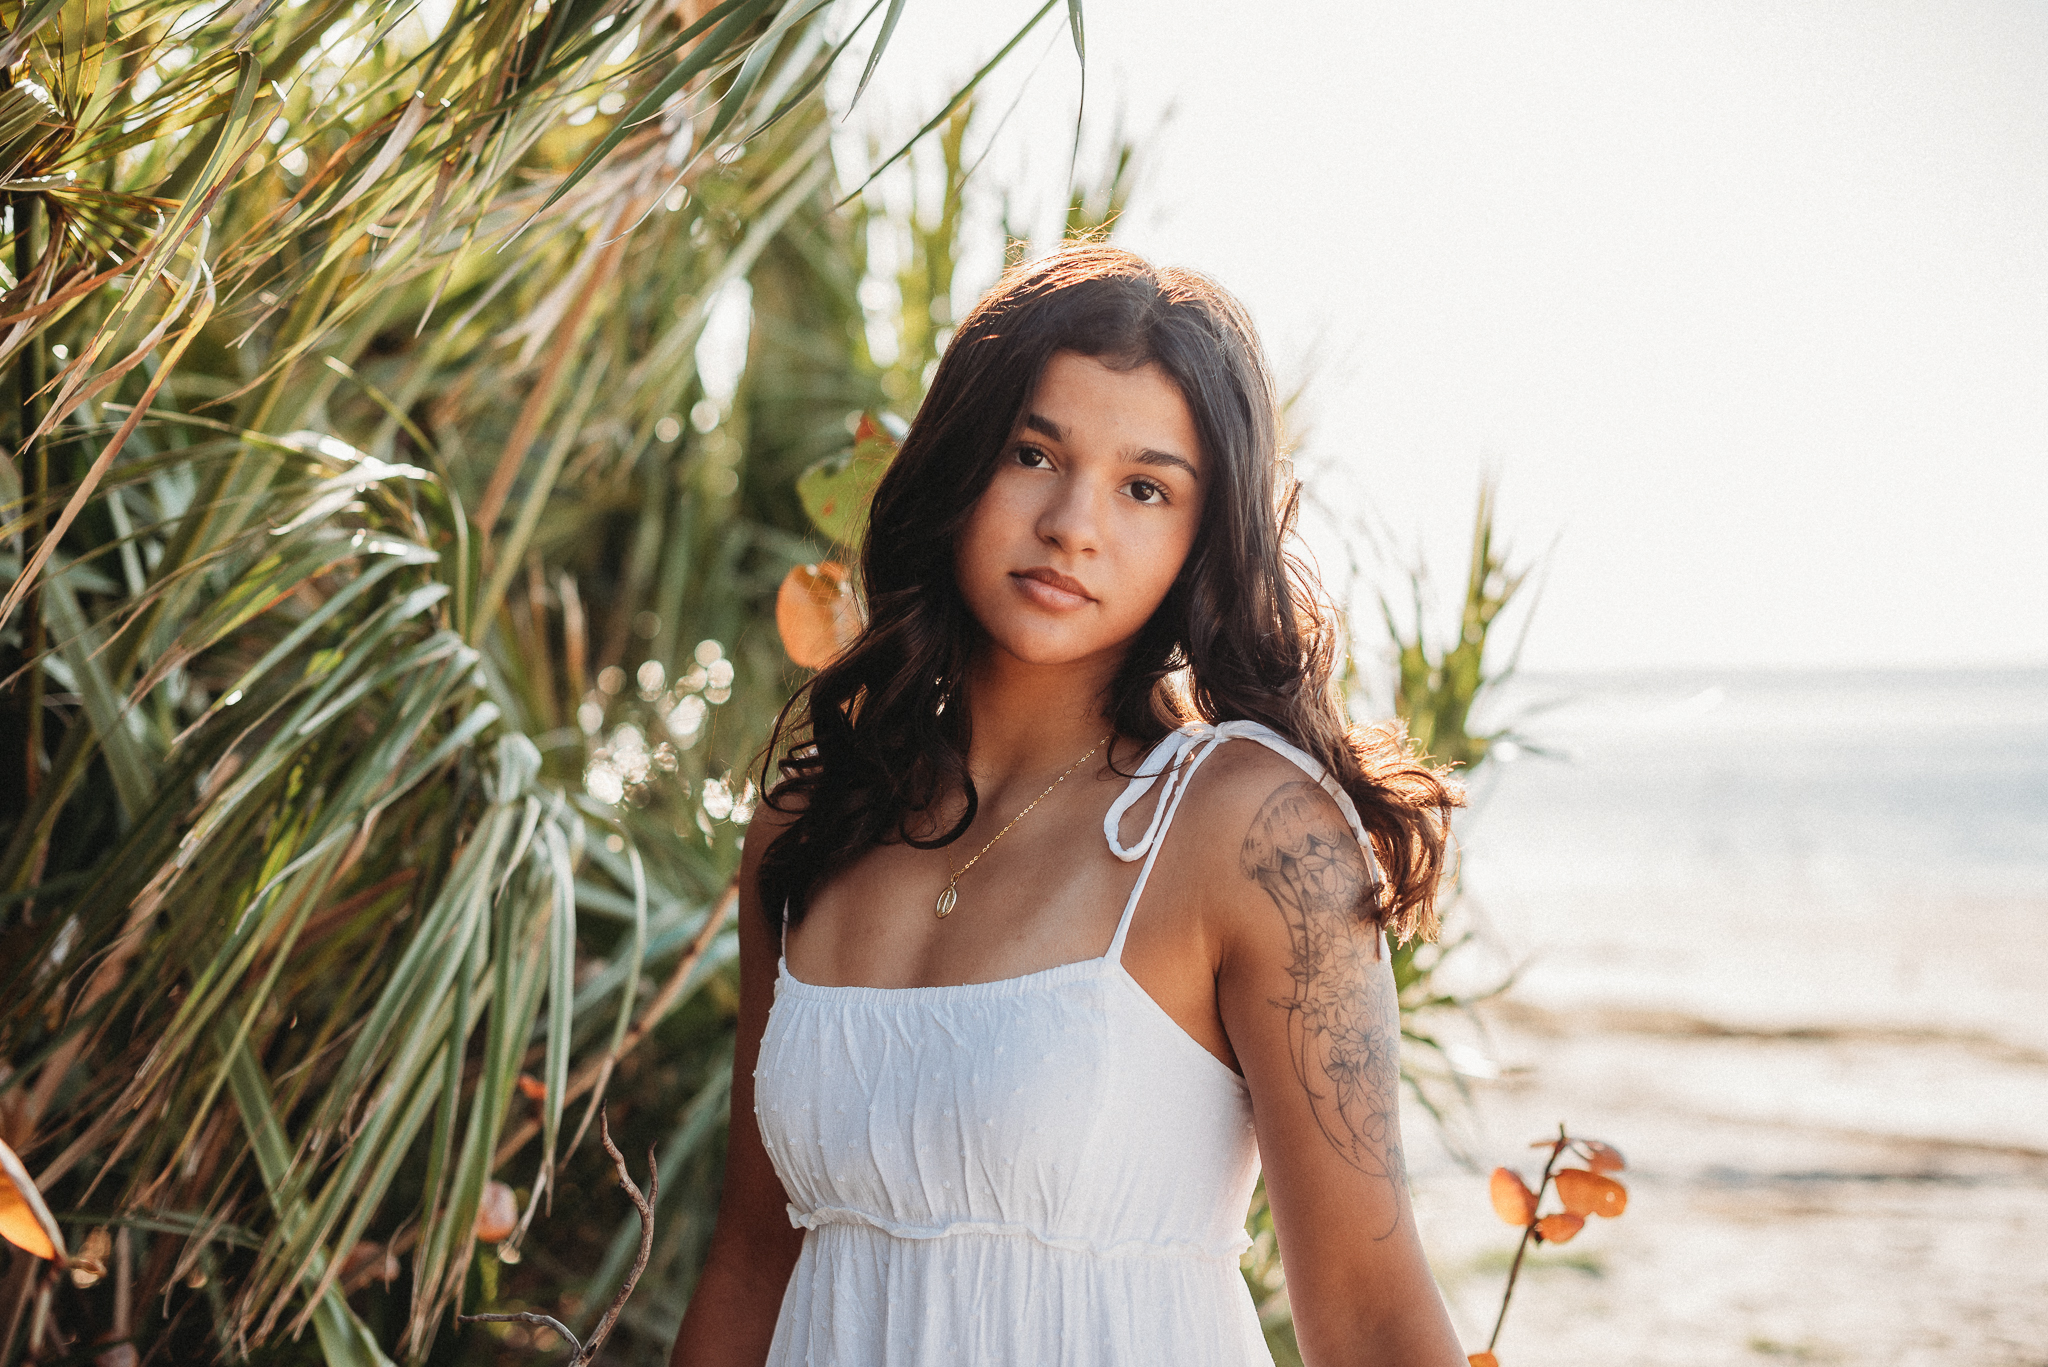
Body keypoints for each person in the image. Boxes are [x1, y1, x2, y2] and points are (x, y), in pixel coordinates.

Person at [669, 244, 1468, 1366]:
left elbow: (1371, 1313)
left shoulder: (1248, 828)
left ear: (1201, 534)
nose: (1072, 524)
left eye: (1145, 487)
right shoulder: (812, 822)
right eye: (1032, 453)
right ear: (958, 464)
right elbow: (752, 1262)